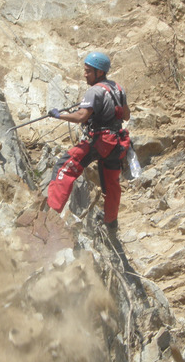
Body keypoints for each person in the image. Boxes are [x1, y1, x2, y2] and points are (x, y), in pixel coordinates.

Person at [46, 52, 132, 235]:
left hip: (101, 141)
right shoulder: (118, 88)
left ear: (99, 72)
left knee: (64, 166)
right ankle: (111, 224)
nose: (85, 74)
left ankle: (50, 216)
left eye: (88, 71)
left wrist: (58, 114)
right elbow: (126, 115)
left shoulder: (94, 91)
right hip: (117, 144)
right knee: (112, 185)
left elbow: (81, 116)